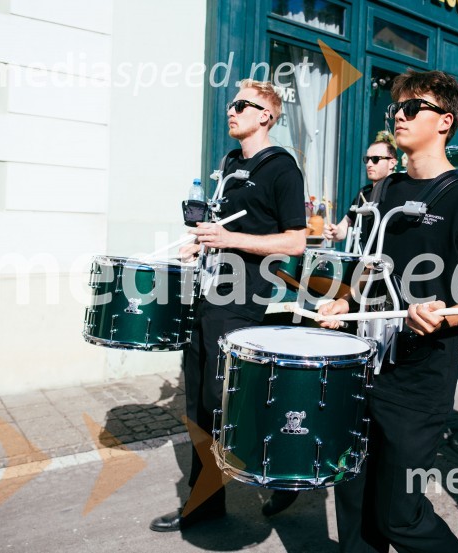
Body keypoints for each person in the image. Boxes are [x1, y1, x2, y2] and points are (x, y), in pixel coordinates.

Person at [318, 69, 458, 552]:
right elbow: (370, 268)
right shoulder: (386, 190)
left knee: (399, 516)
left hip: (418, 377)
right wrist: (341, 300)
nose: (398, 117)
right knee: (354, 500)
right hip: (362, 363)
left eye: (411, 108)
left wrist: (446, 315)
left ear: (445, 121)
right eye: (395, 109)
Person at [149, 80, 307, 532]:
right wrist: (201, 244)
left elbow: (295, 241)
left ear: (266, 116)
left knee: (231, 406)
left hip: (243, 302)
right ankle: (204, 506)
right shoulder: (230, 163)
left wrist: (230, 239)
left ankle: (286, 472)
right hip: (210, 294)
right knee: (200, 406)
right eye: (231, 103)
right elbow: (223, 227)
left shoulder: (282, 169)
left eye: (242, 105)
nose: (231, 110)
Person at [323, 138, 398, 248]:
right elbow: (344, 227)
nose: (369, 164)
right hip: (361, 260)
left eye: (375, 159)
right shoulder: (363, 193)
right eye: (367, 159)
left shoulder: (398, 192)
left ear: (392, 163)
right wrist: (335, 231)